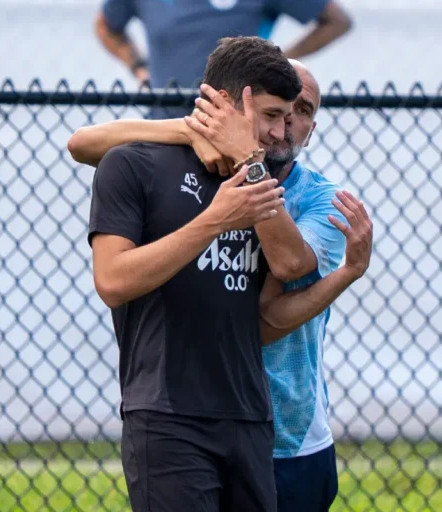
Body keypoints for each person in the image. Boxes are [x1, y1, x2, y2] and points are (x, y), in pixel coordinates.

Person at [72, 59, 364, 511]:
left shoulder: (322, 198)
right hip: (187, 414)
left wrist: (249, 161)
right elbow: (82, 143)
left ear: (312, 130)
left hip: (288, 431)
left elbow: (285, 272)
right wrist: (193, 130)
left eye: (301, 110)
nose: (285, 124)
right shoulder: (204, 169)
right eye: (274, 111)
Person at [94, 0, 351, 117]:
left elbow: (336, 21)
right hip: (165, 123)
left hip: (237, 128)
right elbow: (106, 25)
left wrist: (275, 63)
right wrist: (139, 68)